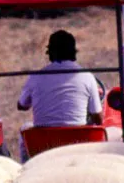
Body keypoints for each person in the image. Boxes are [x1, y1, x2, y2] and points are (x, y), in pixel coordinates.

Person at [17, 30, 103, 159]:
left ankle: (24, 169)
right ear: (74, 53)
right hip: (78, 143)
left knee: (25, 127)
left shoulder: (36, 77)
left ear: (50, 53)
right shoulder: (87, 77)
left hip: (43, 145)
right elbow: (98, 119)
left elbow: (21, 105)